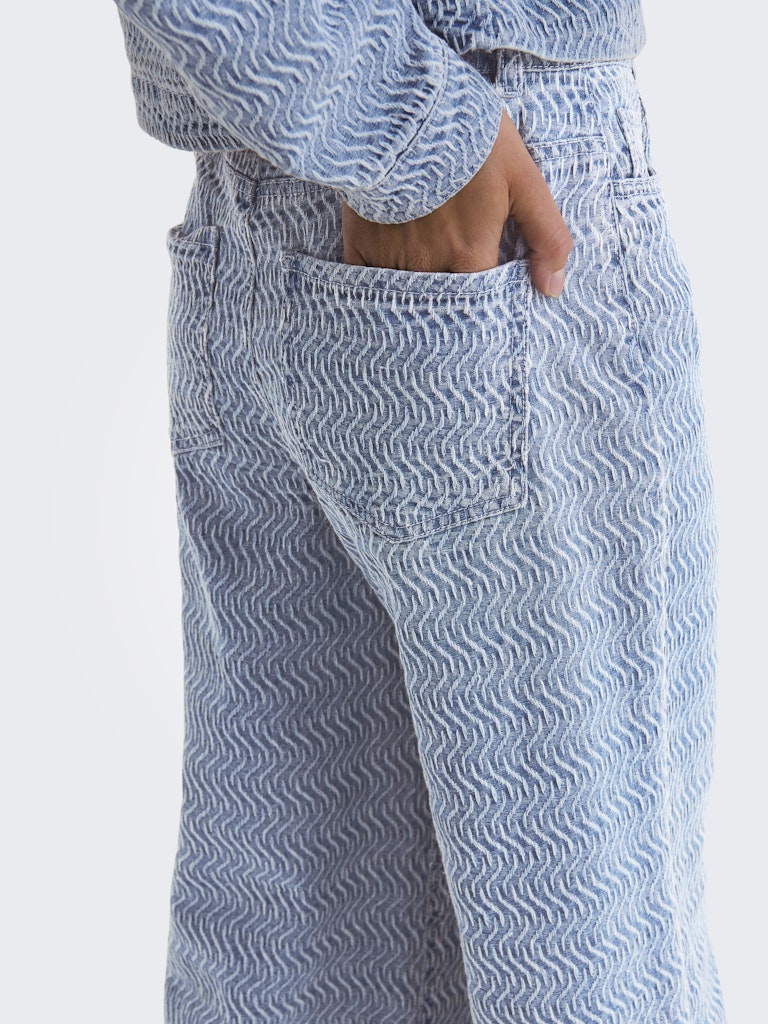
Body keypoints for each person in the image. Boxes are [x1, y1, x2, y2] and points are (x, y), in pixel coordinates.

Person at [112, 2, 727, 1023]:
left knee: (305, 956)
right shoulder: (424, 130)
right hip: (486, 177)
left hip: (279, 186)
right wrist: (411, 130)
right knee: (592, 964)